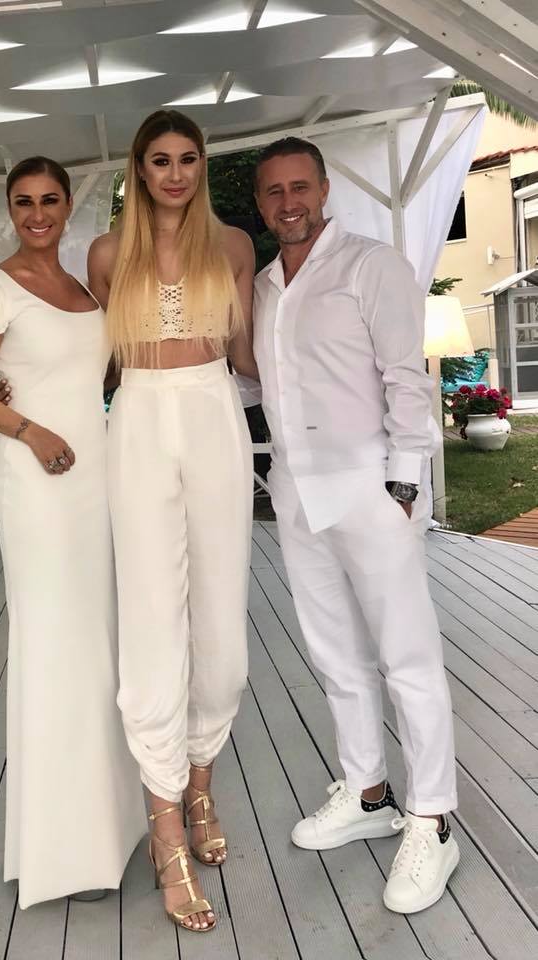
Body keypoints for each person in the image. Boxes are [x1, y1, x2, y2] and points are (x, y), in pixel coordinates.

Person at [252, 137, 459, 915]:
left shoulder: (371, 265)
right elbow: (260, 380)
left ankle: (433, 821)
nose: (289, 203)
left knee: (407, 658)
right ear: (261, 202)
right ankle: (370, 793)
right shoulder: (264, 286)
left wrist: (403, 483)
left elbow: (407, 377)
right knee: (335, 655)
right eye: (274, 191)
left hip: (371, 489)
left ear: (324, 189)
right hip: (298, 496)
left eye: (299, 186)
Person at [0, 156, 146, 910]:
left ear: (67, 209)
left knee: (97, 642)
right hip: (38, 482)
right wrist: (30, 430)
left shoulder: (84, 290)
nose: (37, 214)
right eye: (24, 202)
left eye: (50, 200)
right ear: (10, 210)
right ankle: (65, 853)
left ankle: (112, 826)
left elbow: (93, 372)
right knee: (56, 645)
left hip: (95, 480)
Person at [88, 110, 257, 933]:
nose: (176, 173)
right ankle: (165, 832)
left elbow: (253, 355)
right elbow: (92, 360)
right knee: (152, 621)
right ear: (140, 168)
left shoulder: (233, 247)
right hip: (139, 422)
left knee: (221, 630)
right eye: (161, 160)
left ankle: (200, 786)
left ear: (202, 165)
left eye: (189, 158)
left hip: (215, 414)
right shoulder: (106, 255)